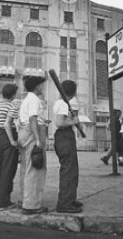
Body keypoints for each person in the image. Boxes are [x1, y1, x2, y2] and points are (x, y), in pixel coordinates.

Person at [18, 76, 48, 215]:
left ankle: (23, 199)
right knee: (35, 168)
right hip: (32, 133)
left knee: (26, 168)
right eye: (41, 85)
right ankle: (31, 205)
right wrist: (37, 139)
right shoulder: (34, 99)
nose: (43, 88)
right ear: (37, 87)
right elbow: (32, 118)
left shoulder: (27, 99)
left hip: (24, 132)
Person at [53, 80, 83, 213]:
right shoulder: (63, 103)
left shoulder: (61, 103)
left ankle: (70, 199)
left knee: (72, 170)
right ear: (74, 92)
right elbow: (59, 122)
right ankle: (64, 204)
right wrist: (73, 121)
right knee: (68, 171)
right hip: (64, 137)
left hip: (64, 137)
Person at [0, 84, 19, 210]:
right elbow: (8, 125)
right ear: (13, 94)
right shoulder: (12, 105)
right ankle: (3, 201)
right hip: (8, 136)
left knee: (2, 167)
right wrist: (13, 141)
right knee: (8, 169)